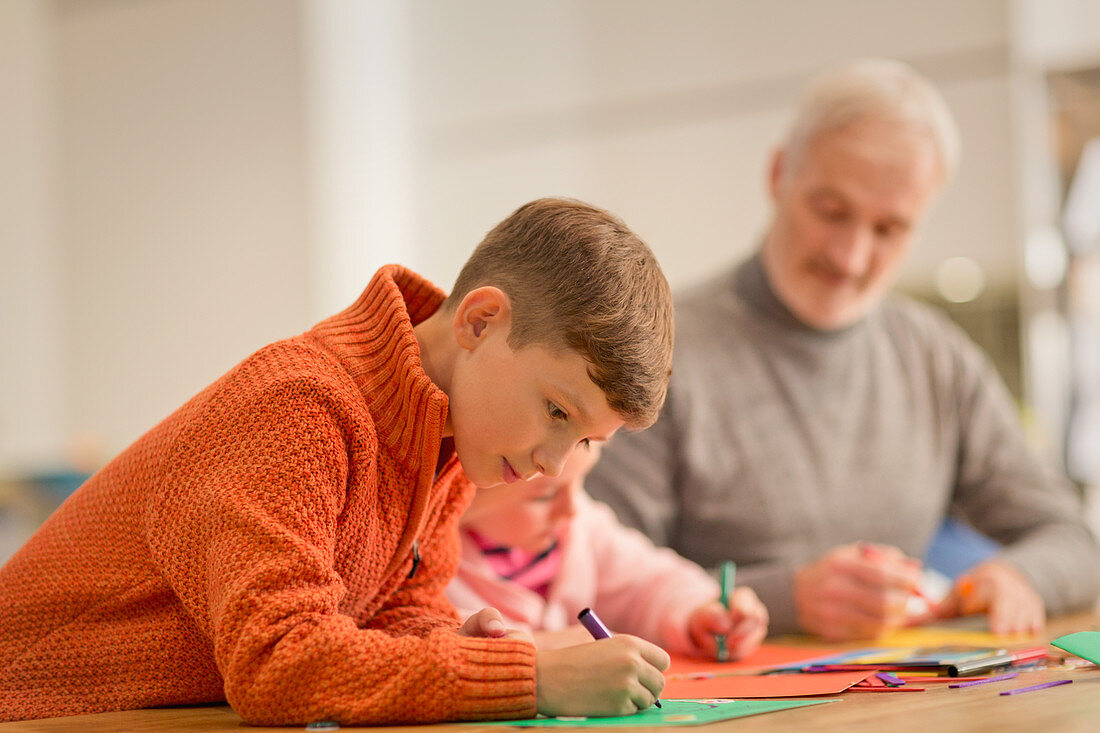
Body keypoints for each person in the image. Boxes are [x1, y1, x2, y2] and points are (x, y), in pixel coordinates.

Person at [0, 198, 674, 724]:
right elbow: (278, 661)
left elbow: (392, 610)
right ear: (478, 322)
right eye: (558, 411)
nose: (554, 465)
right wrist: (531, 678)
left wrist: (459, 639)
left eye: (584, 440)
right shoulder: (299, 403)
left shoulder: (448, 438)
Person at [587, 58, 1100, 642]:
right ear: (779, 175)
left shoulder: (935, 358)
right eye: (831, 212)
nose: (851, 257)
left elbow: (1073, 538)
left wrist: (1021, 576)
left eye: (889, 230)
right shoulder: (657, 352)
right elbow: (587, 583)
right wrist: (785, 599)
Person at [447, 443, 769, 660]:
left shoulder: (581, 527)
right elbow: (429, 640)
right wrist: (544, 649)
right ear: (458, 487)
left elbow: (647, 581)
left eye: (581, 482)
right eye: (544, 496)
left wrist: (699, 613)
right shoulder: (431, 563)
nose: (571, 507)